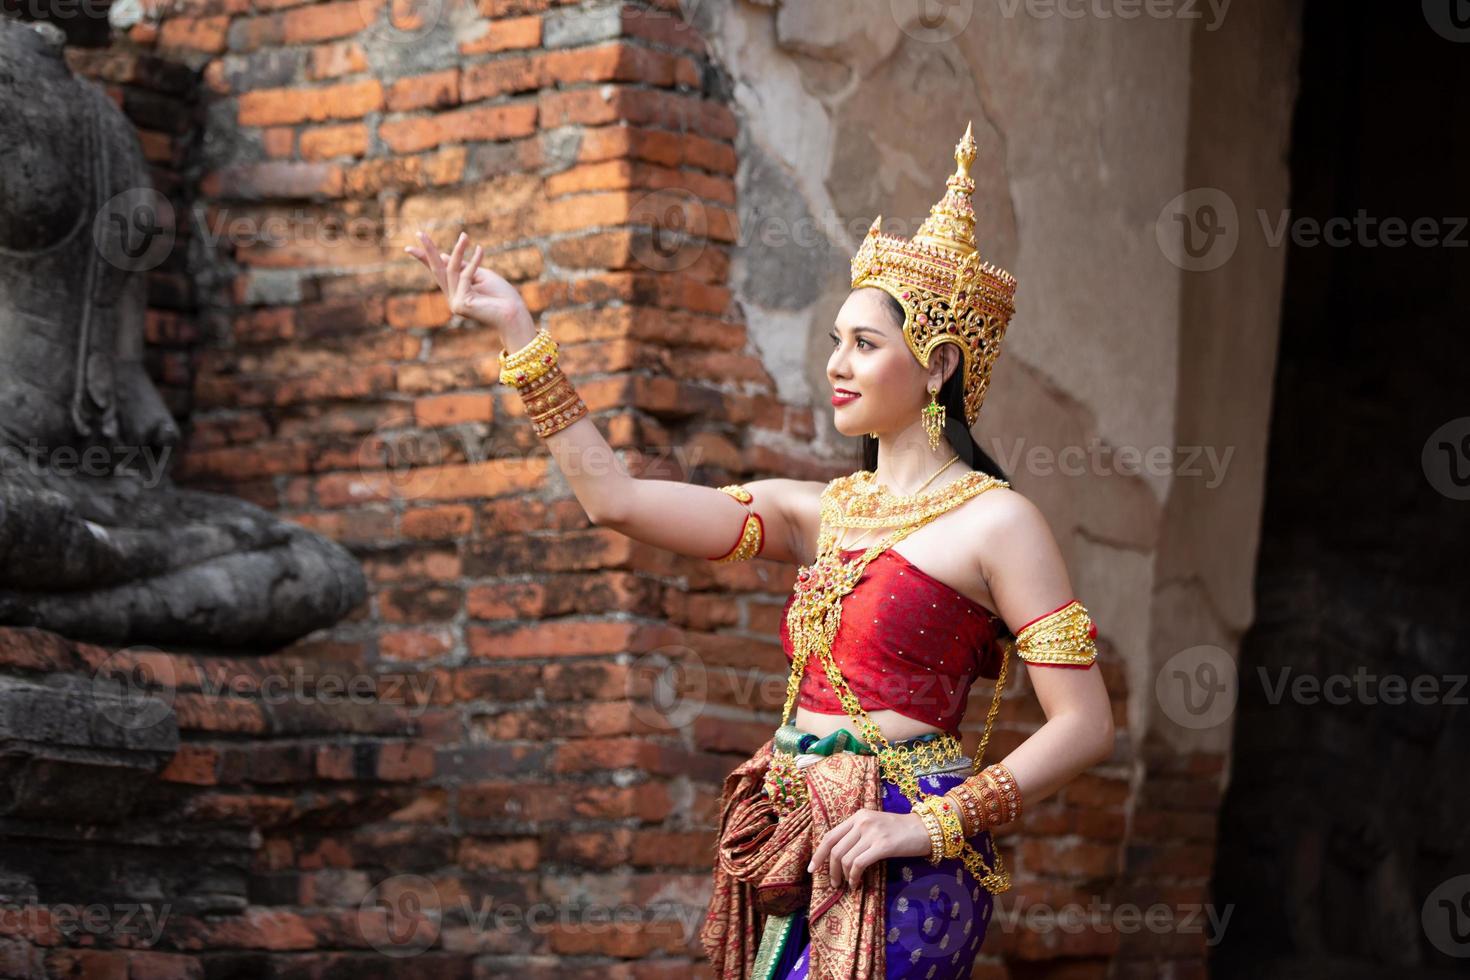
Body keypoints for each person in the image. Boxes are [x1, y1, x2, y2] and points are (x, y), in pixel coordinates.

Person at [405, 121, 1115, 979]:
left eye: (865, 344)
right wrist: (520, 332)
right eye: (834, 343)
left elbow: (1084, 724)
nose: (837, 366)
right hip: (796, 832)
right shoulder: (811, 513)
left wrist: (927, 825)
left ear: (938, 368)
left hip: (908, 852)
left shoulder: (1000, 524)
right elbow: (615, 500)